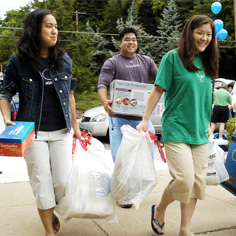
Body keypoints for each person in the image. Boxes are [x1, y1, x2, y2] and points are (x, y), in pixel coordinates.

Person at [0, 9, 81, 236]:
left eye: (56, 26)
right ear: (35, 29)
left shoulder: (64, 60)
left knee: (63, 183)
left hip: (61, 131)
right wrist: (7, 119)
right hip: (32, 133)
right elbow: (5, 94)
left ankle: (52, 209)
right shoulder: (18, 62)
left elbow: (70, 95)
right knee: (40, 183)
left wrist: (76, 128)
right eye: (48, 26)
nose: (54, 30)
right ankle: (49, 230)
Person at [137, 15, 219, 235]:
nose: (204, 38)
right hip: (176, 128)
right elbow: (157, 89)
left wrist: (210, 122)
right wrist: (145, 119)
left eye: (208, 34)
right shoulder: (173, 58)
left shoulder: (208, 62)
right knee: (184, 179)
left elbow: (205, 96)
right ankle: (160, 210)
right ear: (189, 32)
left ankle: (185, 228)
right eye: (199, 32)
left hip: (200, 131)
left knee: (196, 184)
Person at [97, 28, 158, 208]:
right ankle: (122, 194)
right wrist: (104, 101)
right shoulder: (112, 62)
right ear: (120, 43)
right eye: (127, 40)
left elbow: (161, 81)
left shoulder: (146, 61)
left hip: (142, 119)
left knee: (146, 157)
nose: (131, 42)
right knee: (121, 159)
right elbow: (102, 84)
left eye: (134, 40)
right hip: (119, 118)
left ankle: (136, 190)